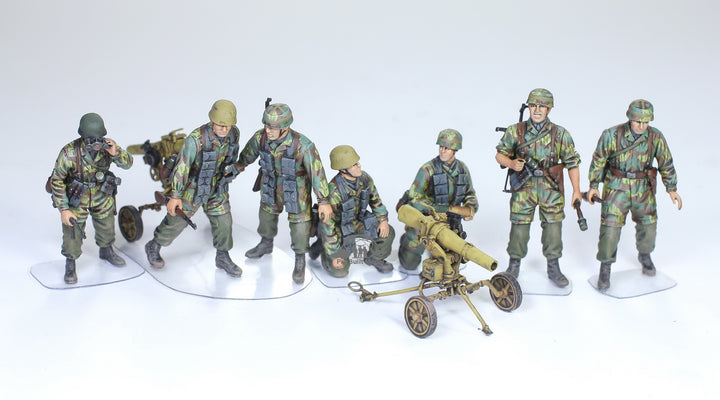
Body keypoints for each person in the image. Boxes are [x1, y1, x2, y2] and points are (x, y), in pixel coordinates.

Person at [586, 99, 682, 291]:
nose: (641, 126)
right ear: (630, 117)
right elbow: (598, 160)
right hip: (616, 187)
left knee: (648, 225)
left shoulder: (655, 137)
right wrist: (593, 185)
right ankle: (605, 267)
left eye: (646, 122)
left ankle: (645, 255)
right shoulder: (611, 135)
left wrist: (671, 188)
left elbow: (666, 162)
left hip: (643, 188)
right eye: (638, 121)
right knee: (610, 229)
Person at [144, 99, 243, 277]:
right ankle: (154, 245)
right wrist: (175, 196)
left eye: (228, 125)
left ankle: (222, 256)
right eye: (220, 125)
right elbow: (182, 167)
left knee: (224, 221)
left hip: (216, 185)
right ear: (212, 120)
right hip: (193, 185)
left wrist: (230, 171)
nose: (224, 129)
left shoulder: (234, 134)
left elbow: (231, 156)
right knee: (177, 220)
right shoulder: (196, 140)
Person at [237, 101, 332, 284]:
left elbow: (317, 174)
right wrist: (236, 168)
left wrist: (323, 201)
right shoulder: (261, 138)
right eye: (266, 126)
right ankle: (266, 243)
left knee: (300, 224)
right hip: (270, 184)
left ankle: (300, 259)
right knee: (266, 215)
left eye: (273, 127)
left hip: (297, 189)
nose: (268, 131)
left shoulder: (302, 145)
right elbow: (246, 157)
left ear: (285, 127)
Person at [495, 88, 581, 287]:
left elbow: (572, 163)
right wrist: (511, 163)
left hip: (550, 187)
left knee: (553, 227)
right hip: (523, 186)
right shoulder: (516, 131)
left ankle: (553, 266)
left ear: (549, 109)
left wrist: (576, 190)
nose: (537, 110)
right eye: (533, 105)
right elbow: (499, 154)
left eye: (542, 106)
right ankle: (514, 264)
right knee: (519, 226)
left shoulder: (560, 133)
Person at [50, 112, 133, 284]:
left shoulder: (107, 147)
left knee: (106, 222)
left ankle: (106, 249)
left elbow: (128, 164)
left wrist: (115, 153)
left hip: (101, 192)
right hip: (77, 195)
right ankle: (70, 261)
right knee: (72, 229)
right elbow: (57, 180)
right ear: (83, 136)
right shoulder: (69, 152)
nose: (95, 142)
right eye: (90, 139)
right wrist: (64, 209)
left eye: (98, 138)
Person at [309, 145, 394, 277]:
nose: (359, 165)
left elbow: (376, 201)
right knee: (340, 271)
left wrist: (383, 220)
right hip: (338, 229)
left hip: (358, 221)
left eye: (357, 162)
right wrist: (334, 253)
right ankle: (321, 245)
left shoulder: (365, 178)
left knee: (387, 233)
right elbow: (328, 226)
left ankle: (373, 258)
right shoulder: (333, 192)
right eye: (354, 164)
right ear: (343, 170)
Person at [398, 129, 478, 270]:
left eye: (447, 148)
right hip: (425, 220)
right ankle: (407, 241)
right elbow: (414, 198)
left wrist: (470, 208)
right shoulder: (428, 169)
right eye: (441, 146)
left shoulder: (462, 169)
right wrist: (443, 209)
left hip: (449, 222)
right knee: (409, 263)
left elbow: (469, 193)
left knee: (449, 263)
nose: (442, 150)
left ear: (455, 150)